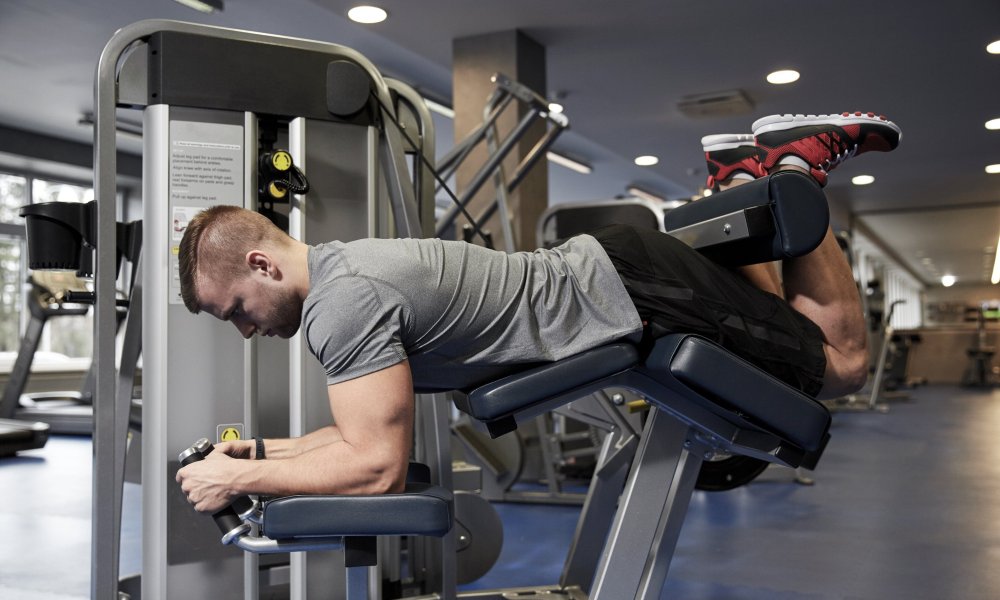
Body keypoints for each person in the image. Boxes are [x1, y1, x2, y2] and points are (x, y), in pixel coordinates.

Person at [176, 111, 901, 513]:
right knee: (769, 323)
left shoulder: (343, 303)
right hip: (626, 280)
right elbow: (356, 431)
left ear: (263, 265)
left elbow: (376, 468)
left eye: (235, 309)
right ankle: (742, 172)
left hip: (635, 292)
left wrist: (234, 480)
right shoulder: (343, 277)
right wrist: (262, 454)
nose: (245, 330)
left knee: (838, 365)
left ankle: (796, 164)